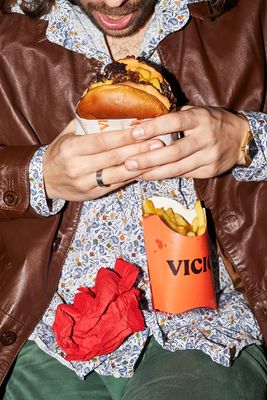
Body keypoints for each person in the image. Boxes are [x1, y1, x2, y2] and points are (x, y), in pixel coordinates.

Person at [0, 0, 267, 398]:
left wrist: (247, 141)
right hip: (45, 331)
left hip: (210, 328)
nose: (113, 3)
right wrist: (36, 175)